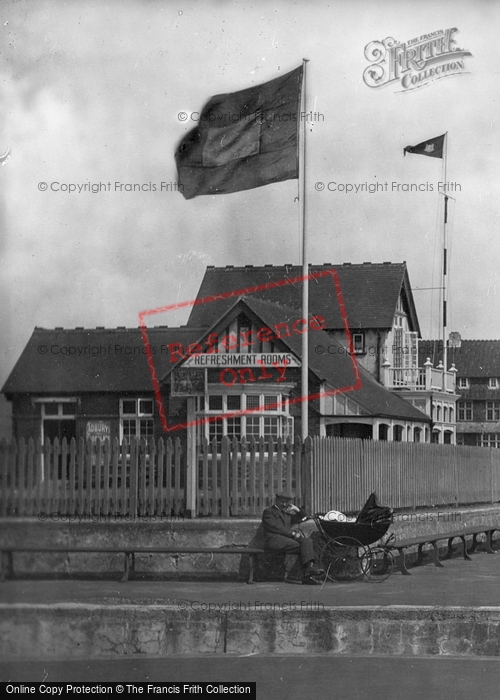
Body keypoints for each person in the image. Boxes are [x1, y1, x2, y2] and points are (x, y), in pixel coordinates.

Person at [262, 492, 324, 584]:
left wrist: (297, 509)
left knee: (307, 542)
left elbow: (306, 517)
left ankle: (309, 570)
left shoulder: (287, 514)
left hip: (287, 541)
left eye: (286, 502)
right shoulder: (269, 512)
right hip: (274, 540)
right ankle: (308, 573)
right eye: (282, 502)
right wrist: (292, 533)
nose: (284, 504)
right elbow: (274, 527)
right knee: (305, 548)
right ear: (277, 501)